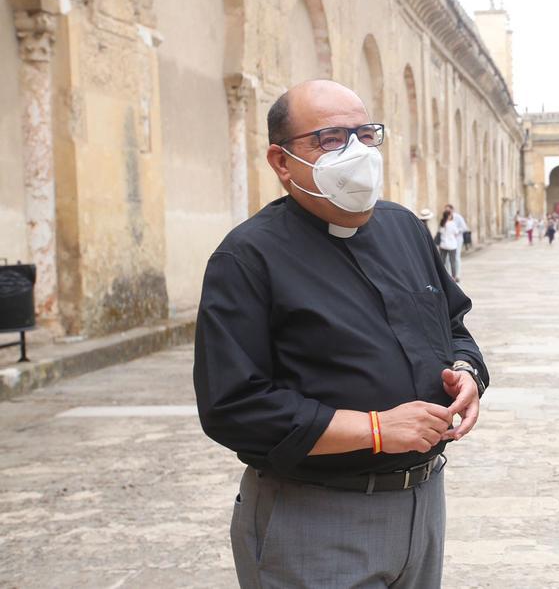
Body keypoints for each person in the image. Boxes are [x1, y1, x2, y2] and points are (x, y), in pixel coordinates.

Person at [194, 80, 487, 588]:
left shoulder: (405, 230)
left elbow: (454, 326)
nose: (355, 152)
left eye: (365, 135)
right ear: (282, 162)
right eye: (330, 140)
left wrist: (466, 374)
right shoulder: (246, 259)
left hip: (422, 507)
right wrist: (375, 429)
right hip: (316, 516)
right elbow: (233, 406)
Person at [437, 209, 462, 281]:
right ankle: (453, 277)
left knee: (442, 261)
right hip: (452, 245)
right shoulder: (452, 223)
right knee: (452, 262)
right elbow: (456, 232)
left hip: (443, 245)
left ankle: (440, 275)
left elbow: (440, 232)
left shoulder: (442, 223)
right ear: (448, 216)